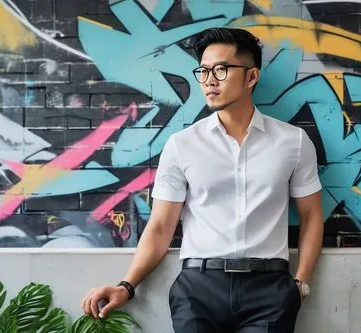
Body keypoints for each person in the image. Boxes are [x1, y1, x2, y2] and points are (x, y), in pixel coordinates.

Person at [81, 27, 323, 333]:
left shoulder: (293, 142)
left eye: (221, 70)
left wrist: (300, 286)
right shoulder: (182, 145)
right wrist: (127, 286)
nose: (209, 80)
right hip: (199, 290)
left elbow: (312, 216)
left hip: (269, 290)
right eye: (204, 71)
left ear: (251, 77)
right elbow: (160, 226)